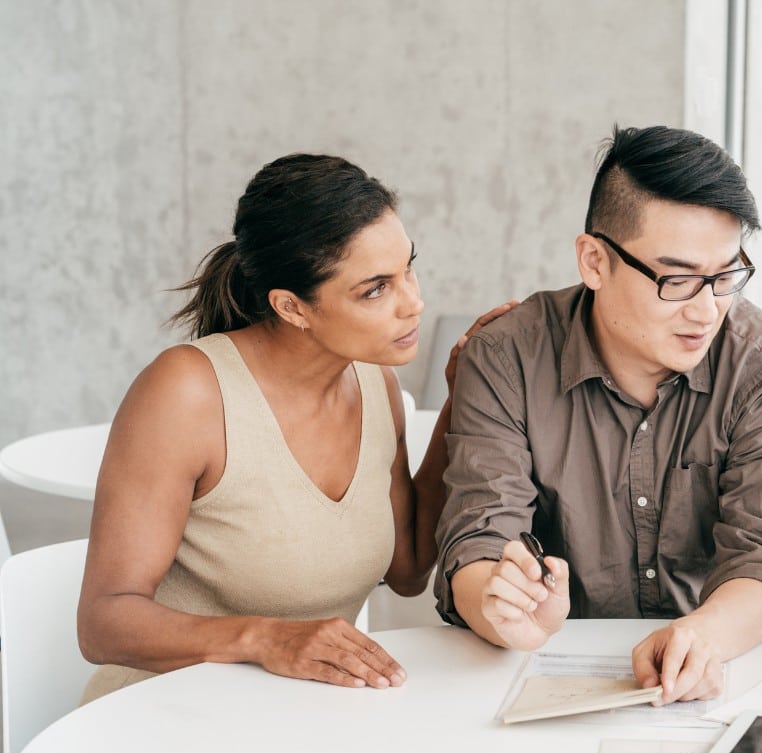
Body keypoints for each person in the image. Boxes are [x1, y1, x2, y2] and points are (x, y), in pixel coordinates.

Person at [77, 153, 510, 701]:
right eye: (375, 289)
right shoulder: (188, 392)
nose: (414, 302)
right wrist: (265, 638)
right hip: (158, 719)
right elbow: (103, 621)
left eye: (408, 269)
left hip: (291, 727)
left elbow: (407, 569)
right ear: (291, 307)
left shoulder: (376, 383)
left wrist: (463, 403)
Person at [436, 125, 762, 704]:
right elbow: (478, 537)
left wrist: (700, 636)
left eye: (726, 276)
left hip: (714, 667)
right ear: (594, 261)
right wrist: (503, 607)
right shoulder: (505, 356)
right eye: (678, 279)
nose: (706, 309)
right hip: (540, 668)